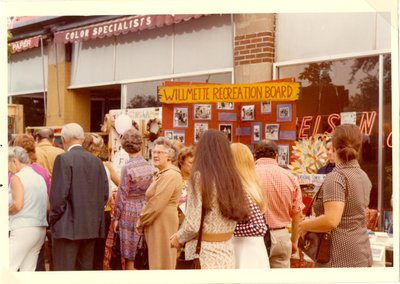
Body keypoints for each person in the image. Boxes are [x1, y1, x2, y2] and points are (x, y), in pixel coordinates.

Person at [170, 130, 249, 269]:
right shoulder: (234, 178)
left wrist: (178, 237)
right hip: (227, 253)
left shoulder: (199, 177)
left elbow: (192, 224)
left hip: (202, 255)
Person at [299, 124, 373, 267]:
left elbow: (331, 220)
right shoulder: (363, 176)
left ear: (334, 147)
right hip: (361, 250)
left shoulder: (336, 177)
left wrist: (305, 225)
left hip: (338, 255)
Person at [49, 123, 109, 271]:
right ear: (82, 139)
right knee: (85, 272)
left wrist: (53, 219)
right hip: (91, 227)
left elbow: (58, 197)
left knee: (64, 272)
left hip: (66, 228)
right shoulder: (97, 162)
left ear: (63, 139)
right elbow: (104, 195)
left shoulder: (63, 159)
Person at [254, 140, 304, 268]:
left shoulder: (249, 175)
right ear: (276, 155)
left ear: (255, 155)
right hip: (281, 235)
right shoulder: (290, 177)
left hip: (255, 237)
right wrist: (294, 240)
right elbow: (297, 213)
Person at [135, 137, 182, 269]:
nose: (155, 155)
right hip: (157, 221)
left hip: (162, 222)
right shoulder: (163, 174)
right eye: (154, 152)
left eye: (160, 152)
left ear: (170, 156)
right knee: (157, 260)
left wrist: (141, 221)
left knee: (161, 261)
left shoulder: (170, 175)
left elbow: (156, 204)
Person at [113, 129, 154, 270]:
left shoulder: (127, 168)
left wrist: (116, 218)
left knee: (129, 252)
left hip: (129, 209)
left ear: (124, 147)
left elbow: (122, 194)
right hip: (145, 207)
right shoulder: (150, 166)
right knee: (143, 248)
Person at [13, 134, 51, 271]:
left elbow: (15, 202)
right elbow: (48, 202)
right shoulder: (42, 172)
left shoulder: (13, 172)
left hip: (18, 225)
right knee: (33, 267)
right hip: (39, 225)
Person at [230, 143, 269, 269]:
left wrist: (229, 230)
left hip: (244, 250)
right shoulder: (251, 186)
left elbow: (259, 227)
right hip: (251, 248)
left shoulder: (241, 190)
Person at [82, 133, 117, 270]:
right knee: (98, 252)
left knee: (84, 252)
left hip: (83, 214)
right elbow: (107, 193)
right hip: (102, 213)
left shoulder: (78, 164)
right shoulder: (103, 166)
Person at [176, 146, 194, 224]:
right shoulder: (175, 178)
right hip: (176, 221)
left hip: (191, 222)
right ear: (181, 162)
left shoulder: (196, 180)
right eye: (190, 163)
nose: (194, 165)